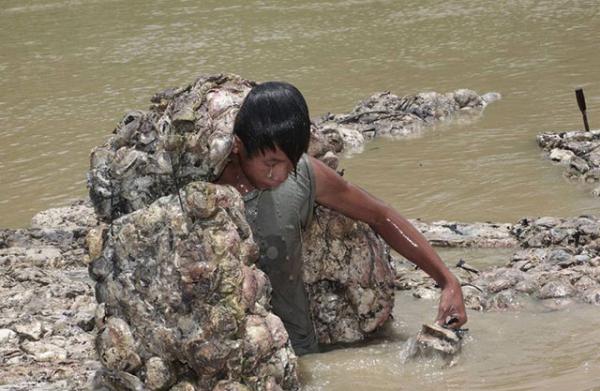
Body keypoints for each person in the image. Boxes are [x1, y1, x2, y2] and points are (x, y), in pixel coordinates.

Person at [215, 81, 467, 356]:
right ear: (238, 146)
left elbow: (380, 215)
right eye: (271, 164)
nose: (282, 174)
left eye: (292, 161)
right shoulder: (202, 192)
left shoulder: (303, 176)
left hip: (298, 355)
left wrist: (447, 281)